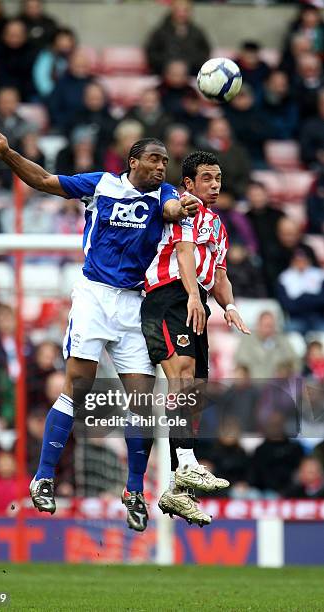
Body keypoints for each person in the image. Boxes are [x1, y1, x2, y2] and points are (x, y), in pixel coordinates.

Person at [0, 126, 200, 531]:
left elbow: (173, 210)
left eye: (166, 162)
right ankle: (44, 476)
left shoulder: (164, 195)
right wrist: (8, 154)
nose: (161, 167)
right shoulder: (101, 184)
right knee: (77, 388)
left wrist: (183, 207)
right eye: (154, 159)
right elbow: (45, 181)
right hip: (94, 297)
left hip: (134, 302)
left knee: (141, 401)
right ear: (133, 161)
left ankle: (134, 490)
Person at [141, 150, 250, 524]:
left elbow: (219, 274)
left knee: (195, 391)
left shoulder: (218, 224)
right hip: (168, 295)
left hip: (196, 300)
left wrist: (230, 307)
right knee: (182, 376)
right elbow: (184, 253)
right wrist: (191, 295)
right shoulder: (182, 205)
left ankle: (176, 488)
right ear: (188, 183)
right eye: (207, 178)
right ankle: (187, 463)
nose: (215, 184)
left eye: (218, 178)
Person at [145, 0, 210, 76]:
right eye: (178, 10)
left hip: (191, 76)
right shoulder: (160, 32)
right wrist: (168, 66)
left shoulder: (197, 33)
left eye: (185, 10)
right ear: (172, 10)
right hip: (164, 77)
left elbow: (204, 53)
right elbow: (152, 54)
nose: (181, 14)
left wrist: (187, 66)